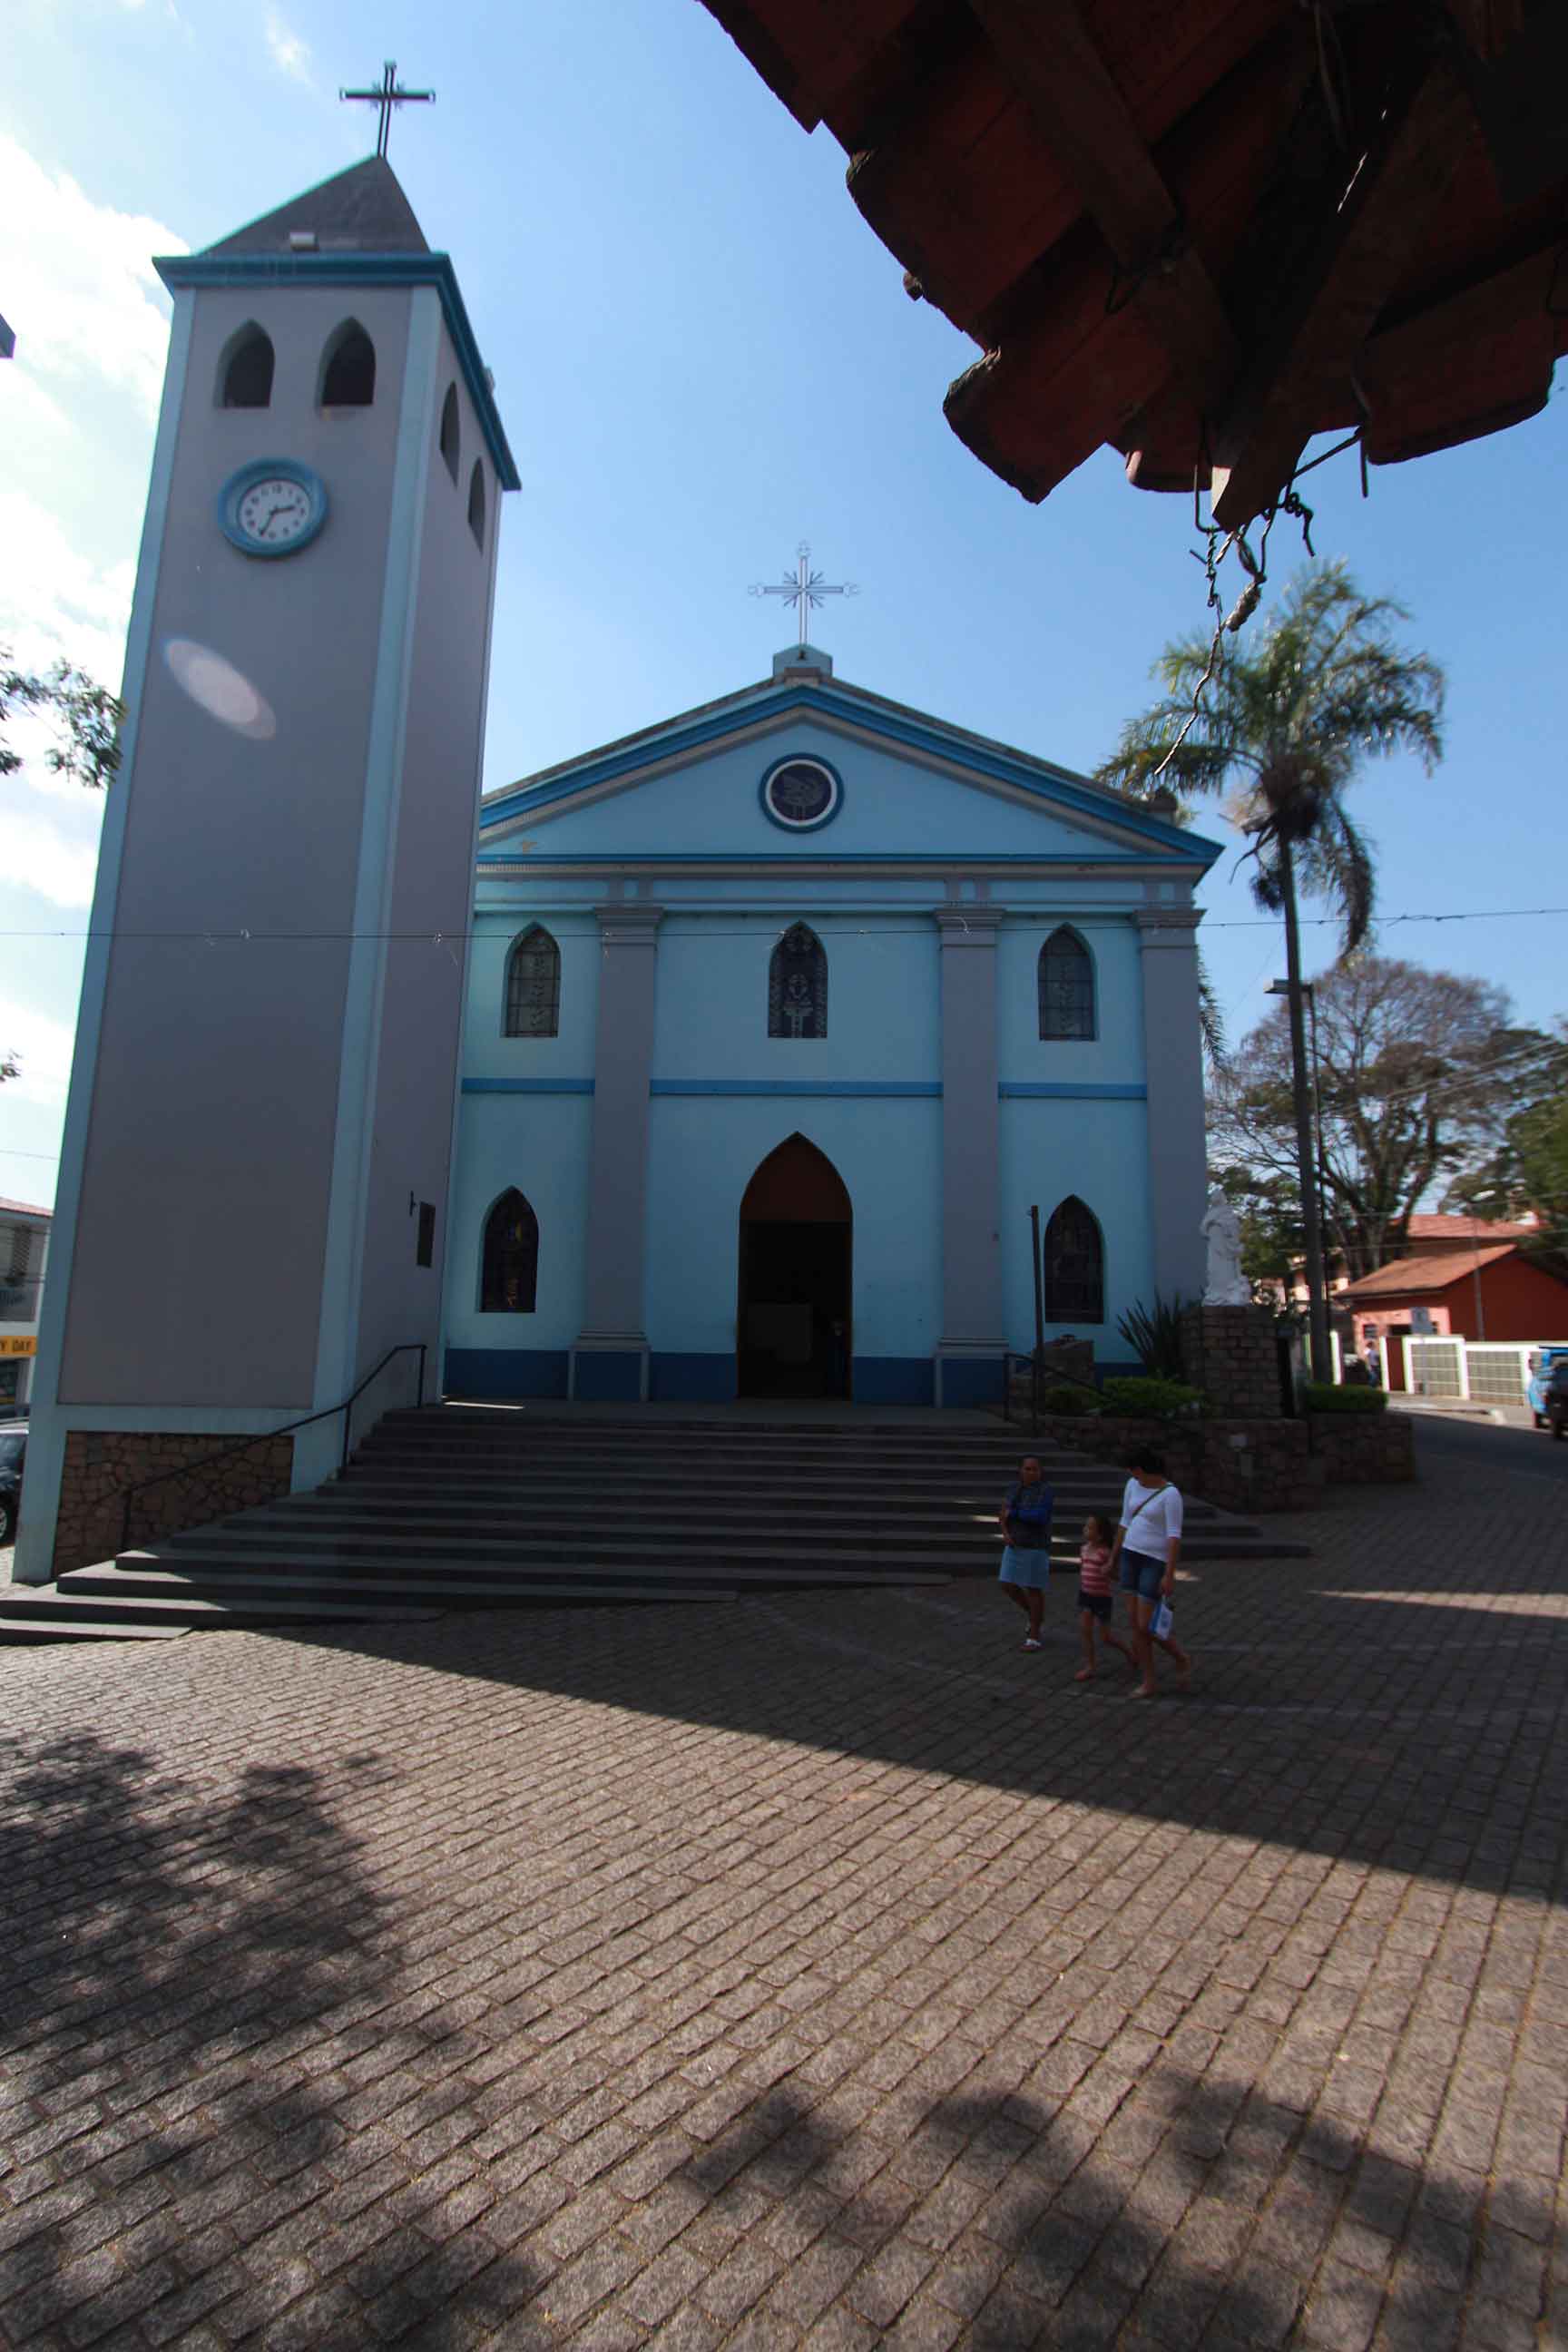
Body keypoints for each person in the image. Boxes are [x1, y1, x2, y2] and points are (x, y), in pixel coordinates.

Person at [1109, 1447, 1193, 1700]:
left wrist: (1169, 1574)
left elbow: (1174, 1536)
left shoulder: (1171, 1495)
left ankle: (1180, 1657)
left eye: (1135, 1472)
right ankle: (1149, 1680)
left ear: (1143, 1470)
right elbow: (1125, 1521)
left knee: (1146, 1625)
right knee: (1136, 1625)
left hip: (1154, 1561)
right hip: (1130, 1555)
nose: (1134, 1477)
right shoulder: (1132, 1486)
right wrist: (1114, 1556)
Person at [998, 1454, 1054, 1651]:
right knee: (1007, 1583)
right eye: (1027, 1468)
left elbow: (1040, 1516)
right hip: (1014, 1544)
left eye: (1035, 1469)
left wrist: (1016, 1513)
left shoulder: (1045, 1491)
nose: (1031, 1472)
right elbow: (1003, 1513)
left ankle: (1035, 1635)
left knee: (1033, 1588)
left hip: (1035, 1545)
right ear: (1020, 1470)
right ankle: (1034, 1615)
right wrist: (1005, 1533)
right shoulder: (1013, 1489)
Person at [1073, 1512, 1136, 1682]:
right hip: (1086, 1595)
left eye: (1090, 1527)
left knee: (1106, 1637)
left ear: (1100, 1535)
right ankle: (1090, 1665)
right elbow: (1083, 1569)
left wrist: (1109, 1572)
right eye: (1086, 1526)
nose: (1085, 1529)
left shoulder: (1105, 1553)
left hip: (1102, 1598)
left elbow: (1116, 1575)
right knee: (1085, 1631)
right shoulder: (1084, 1549)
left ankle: (1129, 1652)